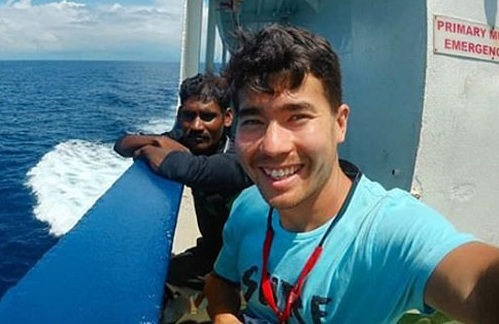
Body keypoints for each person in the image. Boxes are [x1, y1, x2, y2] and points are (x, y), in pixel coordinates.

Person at [205, 25, 499, 324]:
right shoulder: (249, 205)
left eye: (297, 117)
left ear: (340, 123)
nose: (272, 145)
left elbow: (477, 285)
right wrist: (224, 315)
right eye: (253, 121)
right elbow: (221, 282)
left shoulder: (388, 230)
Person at [114, 73, 252, 310]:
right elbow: (122, 145)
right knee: (145, 277)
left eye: (208, 116)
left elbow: (189, 168)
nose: (197, 126)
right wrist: (156, 141)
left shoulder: (238, 159)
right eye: (189, 115)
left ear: (228, 118)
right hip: (210, 253)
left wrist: (149, 150)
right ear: (179, 116)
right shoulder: (188, 140)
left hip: (246, 266)